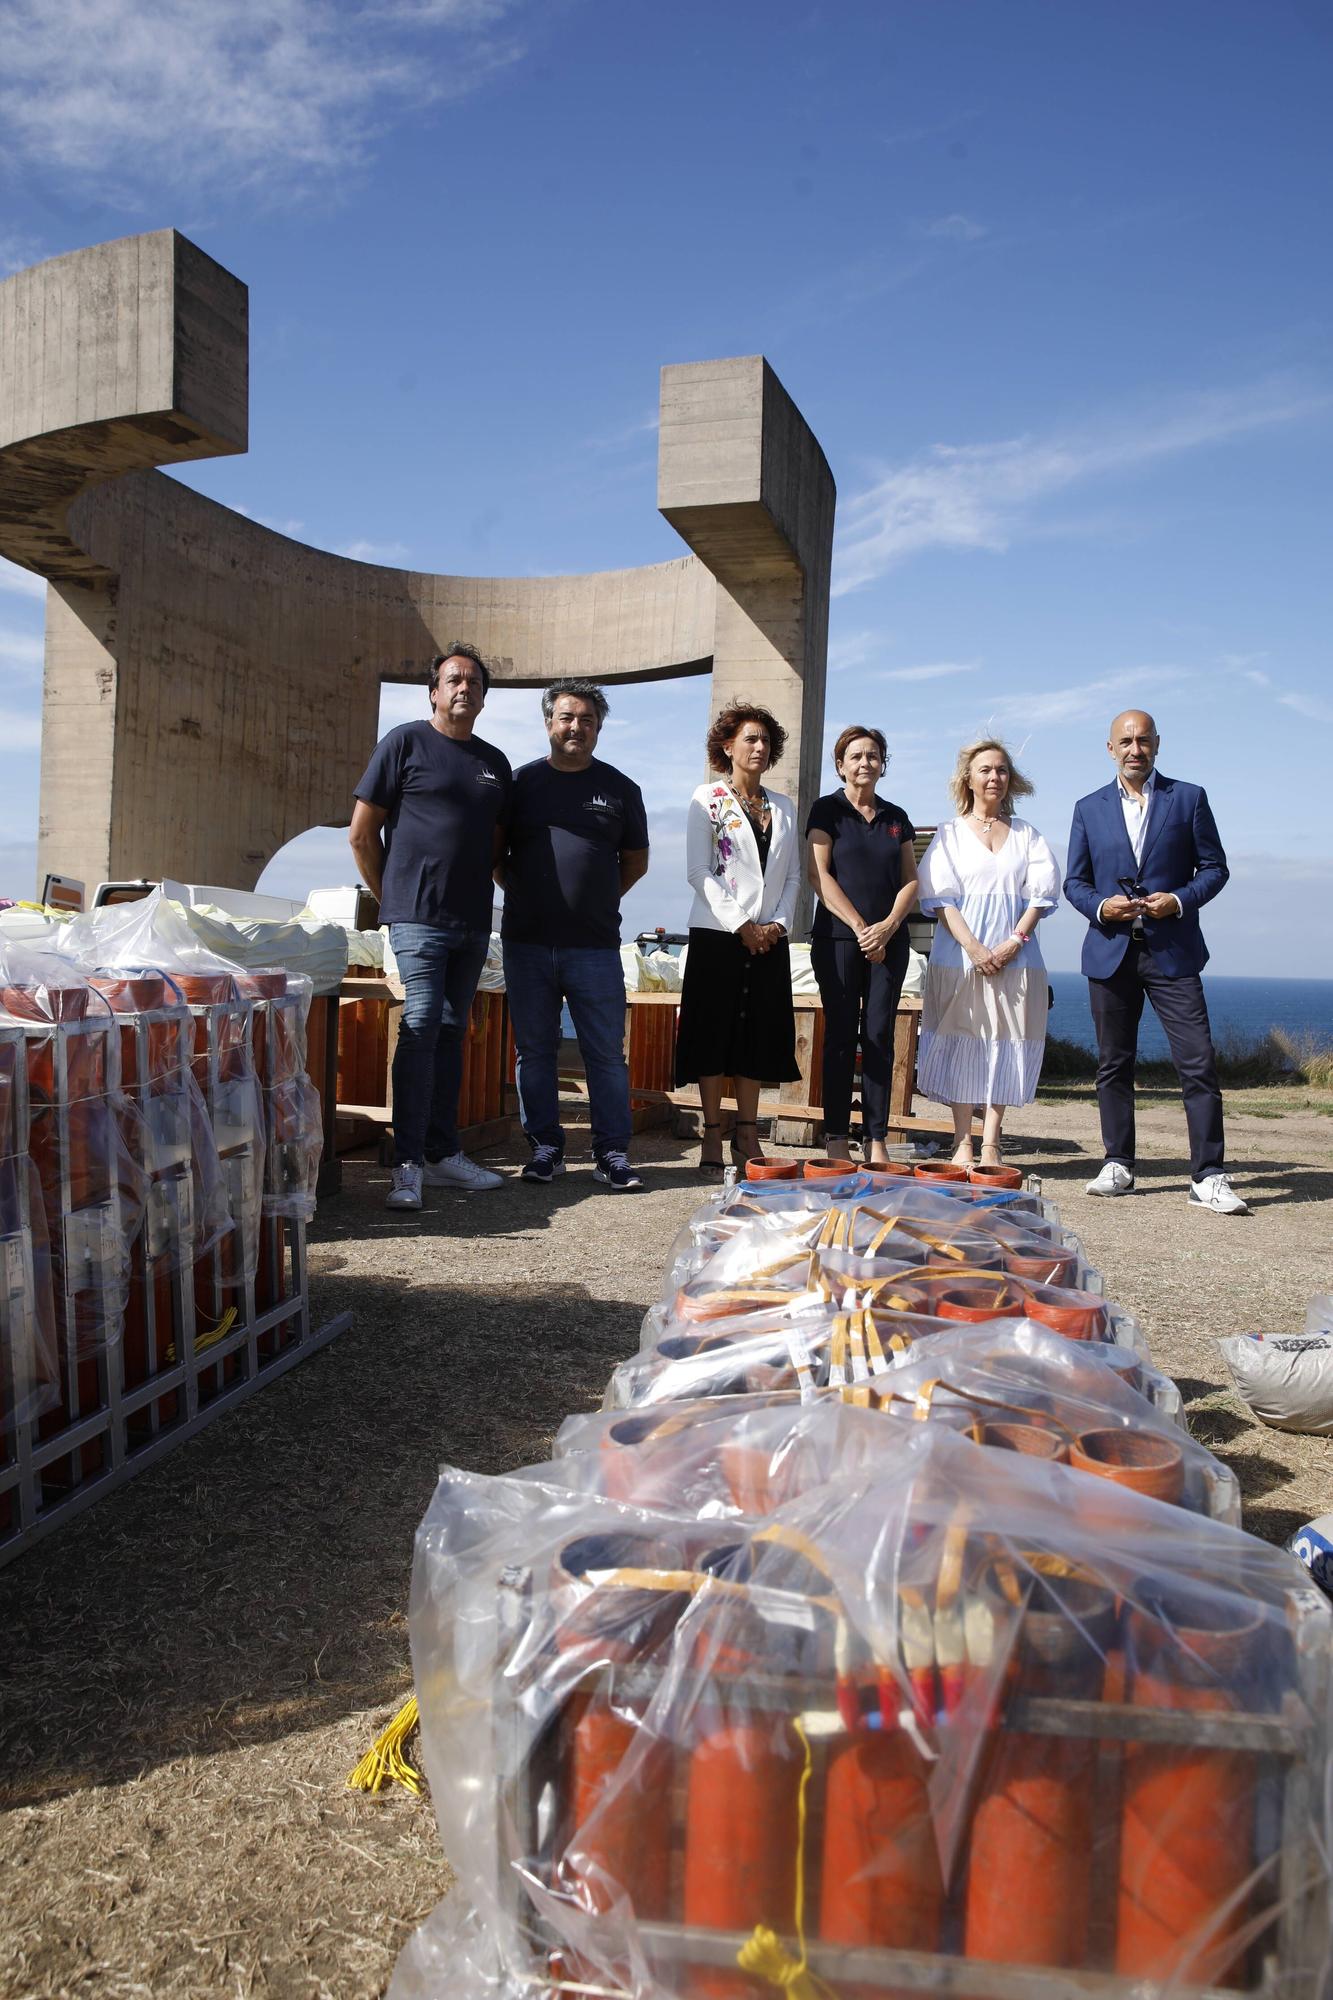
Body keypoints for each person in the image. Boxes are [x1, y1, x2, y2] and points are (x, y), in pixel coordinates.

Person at [1064, 709, 1247, 1214]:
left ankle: (1208, 1176)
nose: (1134, 749)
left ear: (1157, 744)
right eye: (1125, 741)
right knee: (1113, 1065)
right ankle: (1118, 1164)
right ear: (1109, 748)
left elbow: (1215, 868)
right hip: (1110, 951)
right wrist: (1102, 907)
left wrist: (1179, 900)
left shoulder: (1189, 798)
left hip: (1174, 952)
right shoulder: (1087, 807)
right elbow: (1074, 882)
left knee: (1198, 1063)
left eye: (1142, 740)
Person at [349, 643, 511, 1210]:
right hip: (417, 919)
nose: (463, 688)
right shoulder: (405, 742)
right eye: (453, 680)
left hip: (471, 922)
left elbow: (496, 845)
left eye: (473, 682)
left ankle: (443, 1155)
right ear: (435, 692)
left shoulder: (495, 764)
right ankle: (408, 1164)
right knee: (419, 1024)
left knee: (450, 1032)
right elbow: (362, 834)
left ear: (484, 697)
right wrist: (390, 896)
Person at [499, 678, 650, 1192]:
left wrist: (599, 900)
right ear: (548, 723)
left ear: (599, 728)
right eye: (566, 717)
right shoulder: (519, 786)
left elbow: (635, 861)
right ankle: (546, 1147)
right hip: (526, 942)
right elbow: (497, 858)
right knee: (534, 1051)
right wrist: (526, 895)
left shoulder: (621, 789)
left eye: (587, 720)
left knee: (605, 1053)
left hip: (595, 946)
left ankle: (611, 1152)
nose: (576, 727)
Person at [916, 739, 1061, 1167]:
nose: (993, 776)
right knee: (965, 1042)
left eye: (1001, 769)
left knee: (1005, 1043)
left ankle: (992, 1141)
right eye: (985, 769)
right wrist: (976, 949)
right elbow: (942, 900)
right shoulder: (949, 834)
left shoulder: (1027, 835)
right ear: (969, 778)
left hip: (1017, 961)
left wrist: (1013, 941)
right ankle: (962, 1139)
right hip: (960, 960)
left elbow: (1041, 896)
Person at [675, 703, 802, 1175]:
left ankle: (747, 1133)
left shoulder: (785, 807)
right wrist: (741, 925)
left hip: (770, 939)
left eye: (766, 741)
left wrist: (776, 925)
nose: (759, 747)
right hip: (717, 934)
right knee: (713, 1033)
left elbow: (792, 877)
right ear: (728, 746)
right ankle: (712, 1133)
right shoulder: (707, 798)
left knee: (756, 1036)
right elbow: (698, 871)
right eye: (750, 739)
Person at [806, 725, 919, 1164]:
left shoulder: (896, 817)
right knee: (839, 1036)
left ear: (882, 764)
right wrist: (860, 926)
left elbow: (911, 880)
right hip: (837, 940)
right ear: (841, 765)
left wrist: (887, 926)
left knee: (878, 1036)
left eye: (872, 756)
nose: (864, 763)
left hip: (890, 942)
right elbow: (819, 875)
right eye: (855, 756)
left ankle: (875, 1138)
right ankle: (835, 1136)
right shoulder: (826, 811)